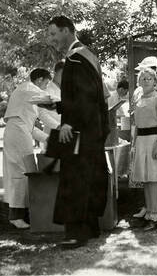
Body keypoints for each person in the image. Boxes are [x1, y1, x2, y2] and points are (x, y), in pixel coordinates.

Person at [47, 15, 109, 249]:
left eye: (53, 34)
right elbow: (91, 97)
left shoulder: (75, 58)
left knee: (75, 180)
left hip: (80, 130)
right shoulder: (88, 55)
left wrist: (68, 122)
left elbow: (84, 97)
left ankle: (76, 233)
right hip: (92, 128)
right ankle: (90, 227)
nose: (51, 39)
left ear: (67, 31)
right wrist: (59, 106)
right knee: (90, 178)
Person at [3, 68, 51, 229]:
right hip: (17, 131)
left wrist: (50, 137)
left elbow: (34, 124)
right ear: (39, 80)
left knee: (28, 170)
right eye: (46, 83)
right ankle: (15, 216)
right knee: (20, 172)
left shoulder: (29, 94)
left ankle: (26, 212)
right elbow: (49, 102)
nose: (45, 87)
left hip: (20, 130)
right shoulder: (29, 88)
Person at [131, 68, 157, 231]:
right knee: (145, 180)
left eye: (149, 78)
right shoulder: (138, 98)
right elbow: (136, 124)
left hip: (154, 139)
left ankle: (154, 215)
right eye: (143, 78)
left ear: (155, 81)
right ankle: (149, 213)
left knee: (153, 179)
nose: (146, 81)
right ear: (139, 81)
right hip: (141, 141)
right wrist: (134, 144)